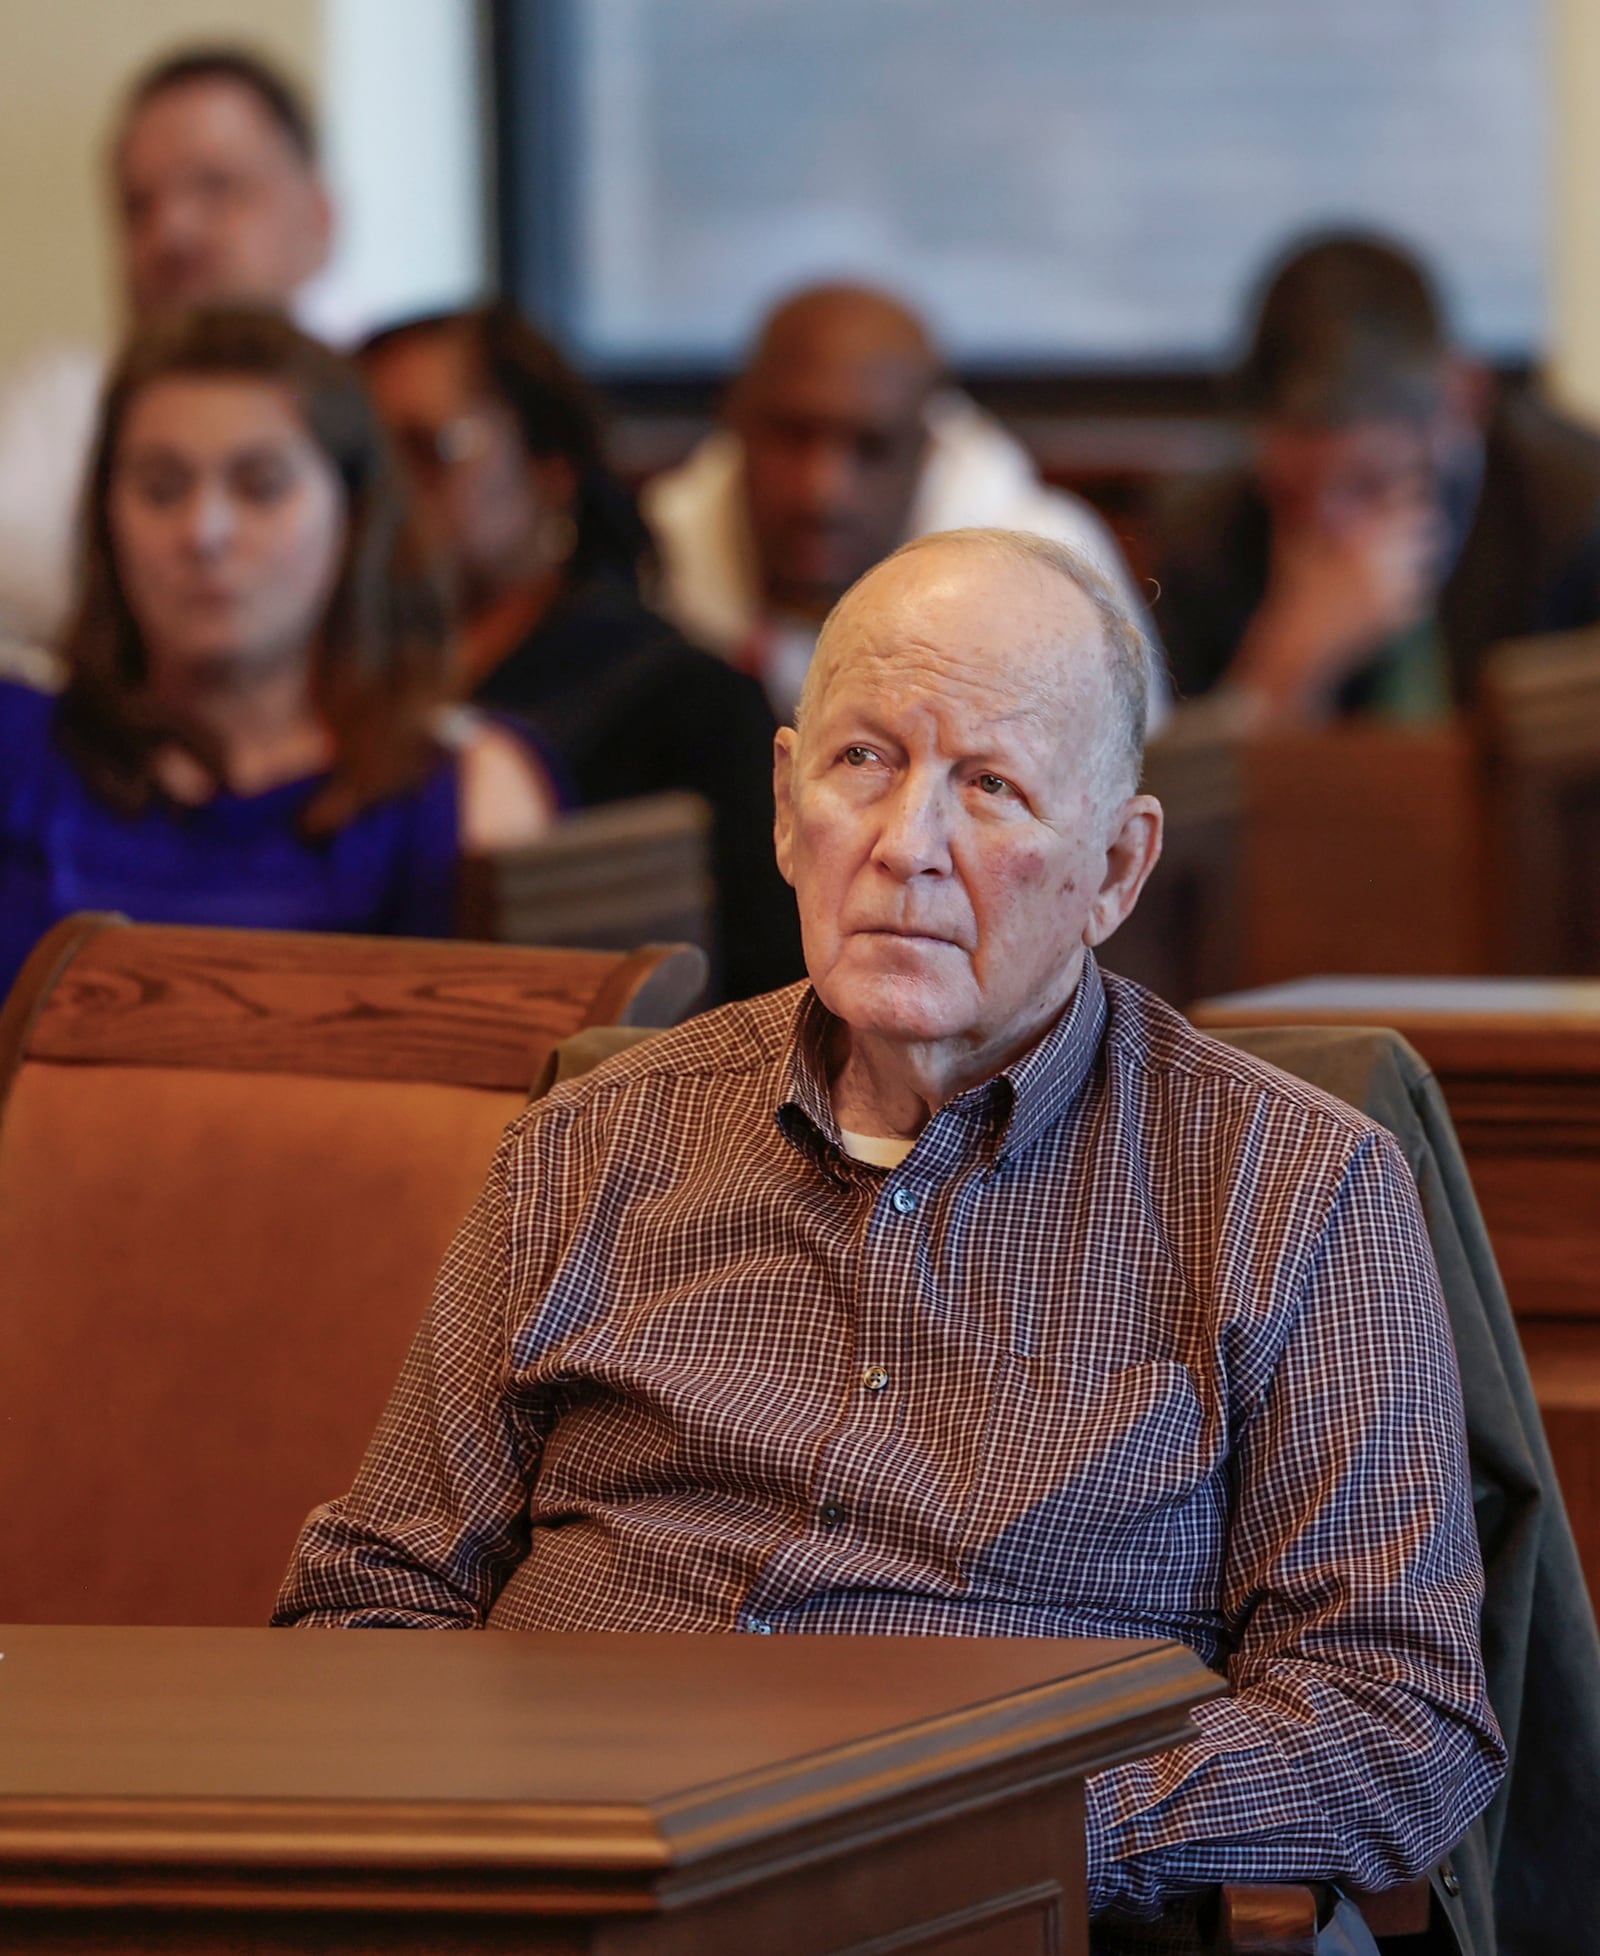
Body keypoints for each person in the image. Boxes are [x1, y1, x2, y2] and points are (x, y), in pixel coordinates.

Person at [277, 527, 1502, 1953]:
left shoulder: (1295, 1187)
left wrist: (973, 1829)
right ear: (790, 808)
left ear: (1116, 866)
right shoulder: (593, 1142)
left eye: (989, 786)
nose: (906, 845)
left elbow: (1394, 1716)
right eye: (865, 763)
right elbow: (368, 1599)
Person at [0, 307, 553, 998]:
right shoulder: (18, 747)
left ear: (351, 514)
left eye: (259, 486)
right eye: (161, 488)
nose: (204, 532)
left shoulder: (465, 789)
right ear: (104, 516)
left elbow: (541, 1088)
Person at [358, 303, 804, 1000]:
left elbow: (773, 990)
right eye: (362, 463)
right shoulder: (319, 690)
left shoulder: (683, 699)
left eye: (426, 450)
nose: (384, 497)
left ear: (550, 468)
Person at [642, 282, 1161, 723]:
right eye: (792, 436)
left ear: (929, 448)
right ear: (737, 420)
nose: (823, 491)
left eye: (872, 448)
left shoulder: (1053, 580)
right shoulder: (650, 556)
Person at [1152, 229, 1600, 724]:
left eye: (1368, 481)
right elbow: (1172, 793)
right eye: (1292, 491)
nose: (1330, 521)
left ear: (1460, 401)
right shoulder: (1203, 539)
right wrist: (1282, 673)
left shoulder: (1578, 514)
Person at [0, 45, 334, 677]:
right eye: (138, 207)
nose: (173, 232)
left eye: (216, 188)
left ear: (321, 218)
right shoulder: (61, 402)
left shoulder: (390, 392)